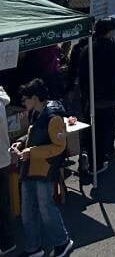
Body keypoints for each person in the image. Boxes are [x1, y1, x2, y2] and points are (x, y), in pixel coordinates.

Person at [12, 79, 74, 257]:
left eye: (25, 99)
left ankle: (62, 242)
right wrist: (20, 142)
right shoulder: (36, 113)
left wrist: (30, 152)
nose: (24, 103)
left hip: (44, 169)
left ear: (35, 98)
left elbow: (59, 147)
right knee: (28, 211)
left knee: (46, 208)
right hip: (30, 168)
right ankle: (33, 248)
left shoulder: (53, 117)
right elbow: (32, 134)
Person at [68, 16, 115, 178]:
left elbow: (80, 72)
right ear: (110, 31)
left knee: (91, 127)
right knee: (107, 126)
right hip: (109, 95)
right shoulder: (114, 48)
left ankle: (88, 154)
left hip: (90, 96)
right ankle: (101, 158)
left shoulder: (87, 49)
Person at [0, 85, 13, 255]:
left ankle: (6, 242)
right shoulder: (2, 101)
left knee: (2, 205)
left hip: (1, 159)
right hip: (3, 158)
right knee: (3, 203)